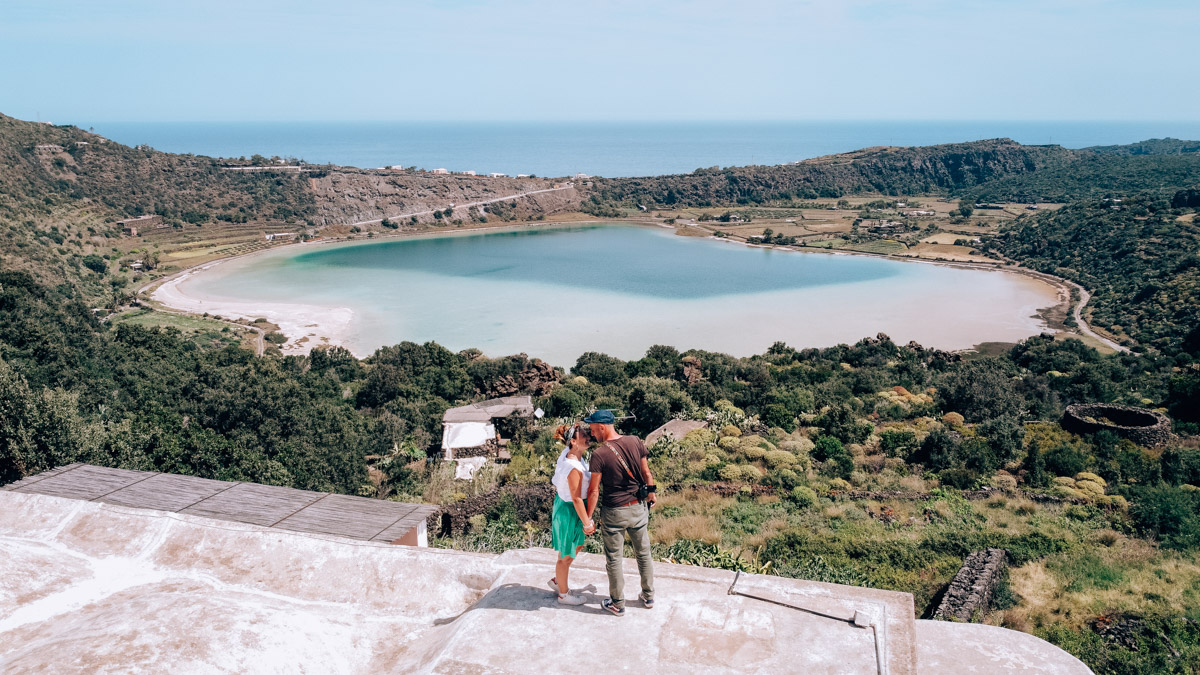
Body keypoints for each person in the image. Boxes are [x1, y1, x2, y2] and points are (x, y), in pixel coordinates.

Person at [584, 409, 656, 617]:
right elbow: (646, 472)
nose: (591, 433)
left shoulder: (599, 454)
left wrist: (588, 517)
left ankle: (617, 603)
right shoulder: (635, 441)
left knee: (614, 558)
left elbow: (594, 490)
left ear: (602, 427)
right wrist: (651, 493)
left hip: (614, 512)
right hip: (638, 508)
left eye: (592, 428)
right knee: (643, 553)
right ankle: (648, 596)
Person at [548, 423, 601, 605]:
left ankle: (558, 580)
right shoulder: (573, 467)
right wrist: (587, 523)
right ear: (573, 441)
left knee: (573, 548)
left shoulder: (570, 455)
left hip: (567, 507)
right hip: (571, 510)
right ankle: (563, 594)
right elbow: (577, 498)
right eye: (583, 435)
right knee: (566, 555)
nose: (588, 437)